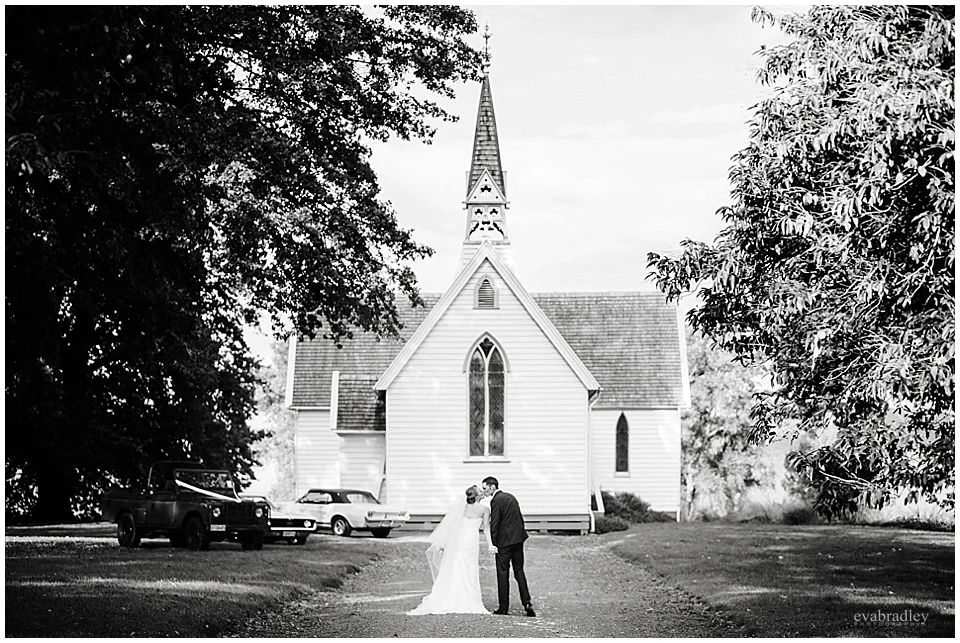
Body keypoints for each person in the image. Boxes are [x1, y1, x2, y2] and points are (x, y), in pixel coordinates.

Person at [408, 484, 495, 615]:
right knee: (469, 567)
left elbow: (454, 526)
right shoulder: (484, 509)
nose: (483, 492)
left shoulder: (462, 507)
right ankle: (469, 600)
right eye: (480, 491)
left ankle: (453, 597)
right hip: (471, 539)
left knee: (458, 565)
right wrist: (490, 544)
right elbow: (486, 528)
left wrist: (446, 543)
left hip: (461, 539)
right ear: (477, 495)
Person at [482, 476, 535, 617]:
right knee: (519, 571)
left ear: (493, 487)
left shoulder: (496, 500)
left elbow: (496, 523)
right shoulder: (511, 497)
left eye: (485, 488)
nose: (484, 491)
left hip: (504, 543)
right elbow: (519, 518)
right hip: (518, 540)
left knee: (502, 573)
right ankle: (527, 603)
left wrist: (493, 543)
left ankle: (503, 607)